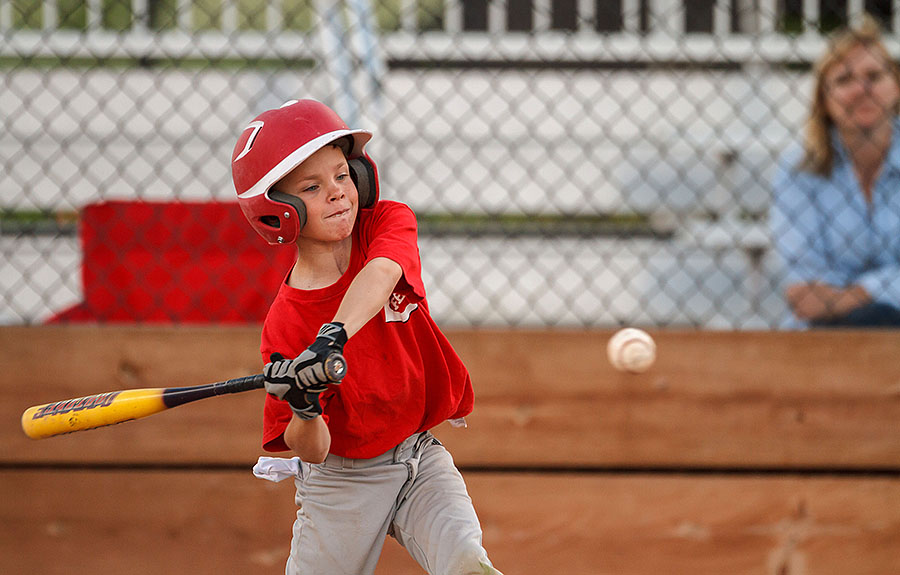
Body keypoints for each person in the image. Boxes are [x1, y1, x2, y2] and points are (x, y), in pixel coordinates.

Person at [231, 99, 503, 575]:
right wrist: (304, 404)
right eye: (312, 187)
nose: (338, 193)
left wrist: (333, 335)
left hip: (418, 453)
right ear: (279, 213)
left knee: (466, 562)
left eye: (342, 175)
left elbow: (381, 274)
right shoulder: (286, 325)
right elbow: (309, 448)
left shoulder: (385, 223)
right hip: (343, 479)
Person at [770, 15, 900, 328]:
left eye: (874, 76)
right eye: (844, 80)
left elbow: (822, 297)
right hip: (826, 331)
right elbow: (804, 292)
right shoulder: (798, 170)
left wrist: (850, 294)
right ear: (824, 100)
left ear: (896, 87)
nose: (862, 89)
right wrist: (882, 289)